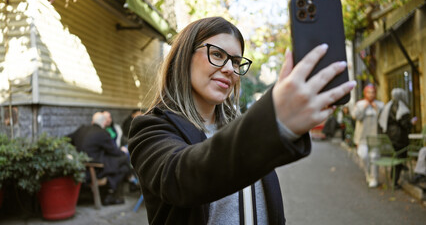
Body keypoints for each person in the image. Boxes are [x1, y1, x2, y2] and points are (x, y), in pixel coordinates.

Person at [128, 17, 355, 224]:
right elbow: (182, 178)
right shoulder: (150, 128)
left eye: (236, 62)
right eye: (217, 55)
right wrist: (275, 116)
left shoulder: (239, 128)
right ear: (183, 57)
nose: (230, 70)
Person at [68, 112, 131, 205]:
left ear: (93, 121)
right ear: (104, 122)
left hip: (79, 168)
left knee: (120, 165)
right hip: (94, 170)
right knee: (124, 161)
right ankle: (110, 194)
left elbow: (67, 138)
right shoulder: (103, 133)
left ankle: (110, 192)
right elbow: (114, 152)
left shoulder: (81, 129)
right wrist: (124, 151)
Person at [378, 88, 417, 188]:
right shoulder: (402, 109)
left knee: (396, 157)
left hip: (389, 138)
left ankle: (394, 175)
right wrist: (411, 123)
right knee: (399, 158)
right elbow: (405, 125)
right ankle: (395, 182)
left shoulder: (388, 106)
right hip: (399, 139)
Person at [352, 84, 384, 188]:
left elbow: (383, 121)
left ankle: (374, 178)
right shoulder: (360, 104)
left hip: (375, 137)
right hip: (362, 137)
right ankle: (368, 173)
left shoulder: (380, 105)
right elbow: (355, 116)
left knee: (374, 157)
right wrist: (364, 108)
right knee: (363, 156)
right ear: (365, 93)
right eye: (368, 92)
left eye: (373, 92)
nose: (371, 94)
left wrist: (377, 110)